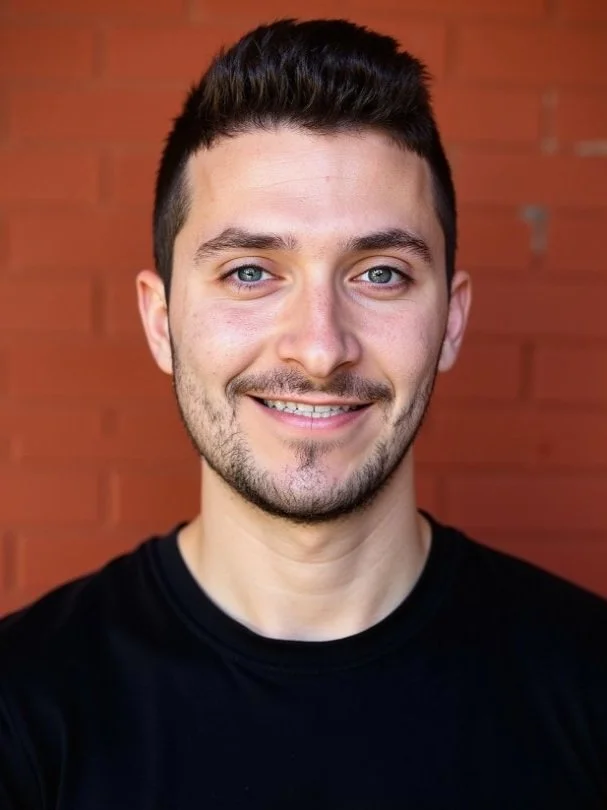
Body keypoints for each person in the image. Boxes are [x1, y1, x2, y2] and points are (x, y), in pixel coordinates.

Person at [1, 17, 606, 809]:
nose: (320, 350)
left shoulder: (588, 687)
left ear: (450, 322)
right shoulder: (23, 707)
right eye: (251, 271)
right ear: (161, 323)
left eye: (380, 274)